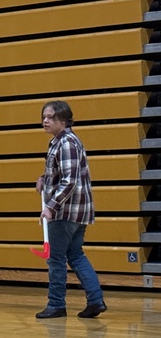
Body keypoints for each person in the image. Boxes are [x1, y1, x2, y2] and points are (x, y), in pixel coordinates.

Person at [34, 100, 106, 319]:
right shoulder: (59, 142)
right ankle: (95, 301)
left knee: (55, 258)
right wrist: (43, 177)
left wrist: (50, 208)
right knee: (75, 255)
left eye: (50, 117)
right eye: (44, 117)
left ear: (63, 120)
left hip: (65, 212)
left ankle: (56, 304)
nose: (45, 121)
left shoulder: (66, 142)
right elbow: (61, 172)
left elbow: (69, 181)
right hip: (77, 212)